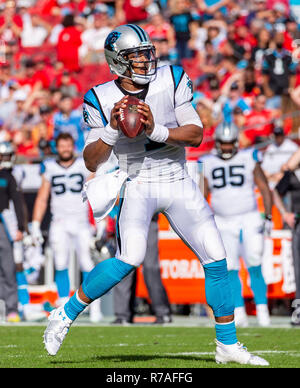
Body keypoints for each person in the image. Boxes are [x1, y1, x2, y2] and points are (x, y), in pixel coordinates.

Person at [43, 24, 269, 366]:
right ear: (118, 62)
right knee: (130, 257)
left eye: (148, 53)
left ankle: (227, 345)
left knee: (216, 258)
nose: (146, 61)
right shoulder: (101, 97)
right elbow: (91, 160)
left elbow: (195, 135)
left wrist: (154, 129)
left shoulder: (172, 77)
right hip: (137, 182)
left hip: (178, 178)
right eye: (136, 56)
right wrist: (111, 128)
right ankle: (65, 314)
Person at [199, 122, 273, 327]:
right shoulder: (208, 161)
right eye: (224, 143)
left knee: (254, 262)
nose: (227, 148)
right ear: (217, 143)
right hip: (222, 220)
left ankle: (262, 310)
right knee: (230, 267)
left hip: (249, 218)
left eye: (230, 143)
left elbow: (264, 187)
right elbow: (202, 195)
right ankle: (239, 312)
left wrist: (268, 217)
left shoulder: (248, 157)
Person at [31, 133, 102, 322]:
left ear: (72, 146)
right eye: (61, 146)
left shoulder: (83, 165)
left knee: (87, 263)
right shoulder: (50, 168)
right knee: (60, 263)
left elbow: (96, 192)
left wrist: (100, 222)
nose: (65, 149)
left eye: (68, 145)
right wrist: (36, 224)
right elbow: (42, 197)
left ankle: (94, 305)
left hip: (81, 222)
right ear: (57, 147)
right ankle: (63, 304)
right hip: (59, 222)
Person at [112, 214, 172, 324]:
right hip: (127, 221)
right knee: (125, 267)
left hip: (149, 220)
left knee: (151, 268)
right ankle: (122, 315)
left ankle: (163, 312)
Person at [0, 141, 25, 322]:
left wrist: (21, 227)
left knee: (8, 267)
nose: (6, 160)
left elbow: (17, 202)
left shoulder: (9, 177)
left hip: (3, 225)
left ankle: (11, 308)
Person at [273, 166, 300, 326]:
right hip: (298, 223)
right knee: (298, 268)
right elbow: (276, 192)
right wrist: (285, 213)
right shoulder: (292, 174)